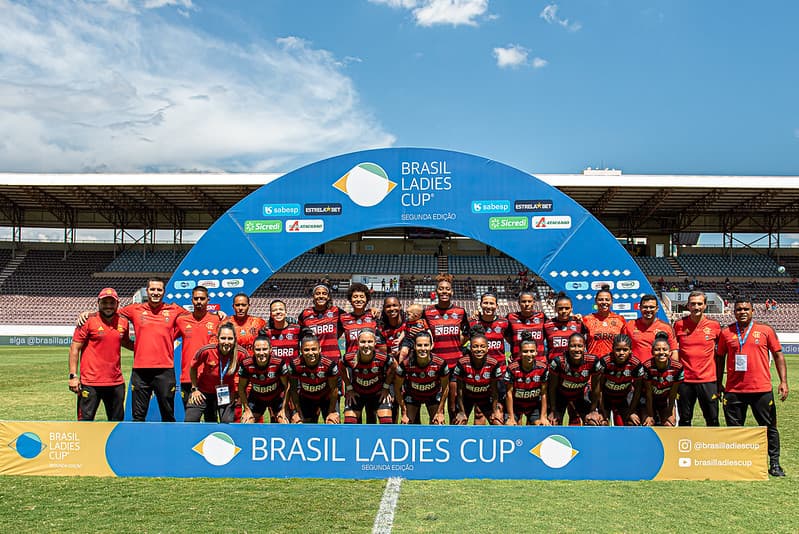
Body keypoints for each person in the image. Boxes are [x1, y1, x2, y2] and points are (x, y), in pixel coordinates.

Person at [94, 277, 190, 422]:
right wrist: (89, 314)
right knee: (138, 416)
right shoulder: (135, 309)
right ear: (147, 291)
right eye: (152, 289)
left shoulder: (174, 309)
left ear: (164, 292)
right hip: (141, 371)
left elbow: (195, 319)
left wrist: (217, 315)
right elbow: (109, 311)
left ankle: (167, 437)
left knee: (168, 414)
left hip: (165, 370)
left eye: (159, 290)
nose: (155, 292)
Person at [717, 298, 788, 477]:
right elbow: (719, 358)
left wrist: (783, 381)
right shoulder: (726, 332)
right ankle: (737, 464)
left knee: (769, 427)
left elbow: (778, 355)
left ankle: (774, 463)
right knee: (734, 431)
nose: (742, 312)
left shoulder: (765, 330)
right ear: (734, 312)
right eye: (739, 309)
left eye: (746, 309)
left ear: (752, 311)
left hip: (761, 390)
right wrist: (718, 383)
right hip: (734, 390)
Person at [68, 288, 133, 421]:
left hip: (115, 382)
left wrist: (146, 348)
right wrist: (73, 376)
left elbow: (125, 342)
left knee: (116, 424)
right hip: (90, 382)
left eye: (112, 303)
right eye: (104, 302)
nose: (108, 306)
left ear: (117, 304)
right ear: (98, 303)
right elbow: (74, 348)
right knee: (85, 423)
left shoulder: (123, 322)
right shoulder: (87, 320)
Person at [424, 273, 469, 422]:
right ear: (436, 291)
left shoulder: (460, 312)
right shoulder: (428, 312)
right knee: (437, 407)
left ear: (452, 292)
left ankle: (453, 435)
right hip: (436, 365)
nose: (444, 291)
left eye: (447, 289)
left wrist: (456, 344)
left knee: (453, 407)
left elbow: (467, 333)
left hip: (455, 365)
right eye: (441, 288)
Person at [673, 290, 722, 426]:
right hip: (685, 380)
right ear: (688, 306)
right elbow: (673, 350)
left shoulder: (714, 326)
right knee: (685, 420)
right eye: (693, 304)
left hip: (708, 380)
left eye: (699, 304)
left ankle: (712, 441)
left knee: (712, 420)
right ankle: (685, 441)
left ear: (705, 305)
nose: (696, 307)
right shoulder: (679, 325)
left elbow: (721, 352)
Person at [186, 322, 246, 423]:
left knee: (227, 423)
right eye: (223, 338)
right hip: (203, 391)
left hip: (226, 393)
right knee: (190, 420)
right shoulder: (207, 350)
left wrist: (237, 393)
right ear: (217, 338)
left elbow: (247, 374)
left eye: (230, 339)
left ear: (235, 339)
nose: (226, 342)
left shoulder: (241, 354)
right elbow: (193, 368)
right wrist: (195, 389)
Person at [174, 286, 220, 410]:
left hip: (210, 377)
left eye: (202, 298)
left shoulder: (217, 320)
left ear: (208, 300)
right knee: (190, 416)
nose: (199, 301)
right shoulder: (181, 320)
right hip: (188, 377)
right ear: (192, 300)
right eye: (196, 298)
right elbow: (166, 337)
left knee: (211, 417)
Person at [283, 331, 340, 424]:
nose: (310, 353)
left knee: (332, 422)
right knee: (300, 424)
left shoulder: (329, 364)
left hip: (326, 398)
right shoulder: (295, 365)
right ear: (301, 351)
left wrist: (331, 412)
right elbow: (293, 389)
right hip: (306, 398)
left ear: (319, 349)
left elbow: (334, 389)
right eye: (306, 350)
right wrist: (297, 411)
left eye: (314, 349)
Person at [394, 330, 449, 424]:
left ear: (431, 346)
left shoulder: (440, 363)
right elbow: (397, 387)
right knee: (406, 423)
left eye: (426, 345)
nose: (423, 348)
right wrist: (404, 412)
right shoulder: (405, 364)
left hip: (433, 395)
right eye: (419, 345)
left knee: (438, 423)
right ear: (414, 346)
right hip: (413, 396)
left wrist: (440, 412)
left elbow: (445, 387)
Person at [451, 327, 504, 425]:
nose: (479, 349)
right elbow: (459, 391)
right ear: (470, 348)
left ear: (487, 348)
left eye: (482, 346)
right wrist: (461, 412)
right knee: (459, 422)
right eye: (475, 347)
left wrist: (494, 410)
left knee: (497, 422)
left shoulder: (493, 363)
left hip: (485, 398)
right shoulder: (462, 363)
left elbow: (494, 391)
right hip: (467, 397)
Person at [341, 329, 395, 424]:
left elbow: (394, 366)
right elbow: (341, 367)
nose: (366, 345)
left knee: (386, 422)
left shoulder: (382, 357)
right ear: (358, 343)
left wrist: (386, 387)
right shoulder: (349, 357)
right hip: (357, 394)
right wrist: (349, 388)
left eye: (370, 342)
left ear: (375, 343)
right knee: (349, 423)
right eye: (363, 342)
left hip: (377, 393)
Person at [547, 333, 601, 426]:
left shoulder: (593, 361)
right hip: (561, 396)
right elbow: (552, 388)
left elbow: (596, 387)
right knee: (553, 422)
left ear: (584, 347)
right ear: (568, 347)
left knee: (594, 422)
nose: (576, 349)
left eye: (580, 346)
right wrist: (553, 410)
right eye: (573, 346)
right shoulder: (558, 362)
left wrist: (593, 410)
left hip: (580, 395)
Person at [593, 334, 645, 426]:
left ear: (630, 350)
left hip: (624, 398)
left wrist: (631, 411)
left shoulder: (635, 364)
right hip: (606, 397)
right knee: (602, 423)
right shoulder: (605, 362)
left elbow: (637, 390)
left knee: (632, 422)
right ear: (613, 349)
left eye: (625, 350)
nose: (621, 353)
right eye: (618, 350)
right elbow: (599, 388)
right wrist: (602, 410)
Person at [238, 335, 290, 424]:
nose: (261, 353)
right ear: (253, 350)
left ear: (270, 349)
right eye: (258, 349)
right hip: (256, 398)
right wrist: (246, 409)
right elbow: (241, 387)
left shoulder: (278, 363)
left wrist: (283, 409)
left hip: (276, 397)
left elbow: (287, 386)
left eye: (264, 349)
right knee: (246, 422)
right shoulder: (246, 364)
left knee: (284, 422)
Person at [504, 332, 549, 426]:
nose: (529, 354)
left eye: (532, 351)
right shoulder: (512, 368)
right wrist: (511, 417)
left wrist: (543, 417)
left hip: (534, 406)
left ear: (536, 352)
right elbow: (509, 393)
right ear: (520, 352)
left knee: (540, 425)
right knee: (510, 426)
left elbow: (544, 393)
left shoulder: (543, 368)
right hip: (516, 406)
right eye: (525, 351)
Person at [641, 332, 684, 427]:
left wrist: (670, 413)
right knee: (648, 423)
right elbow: (648, 393)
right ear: (652, 352)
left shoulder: (677, 368)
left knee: (669, 424)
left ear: (670, 352)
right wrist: (650, 415)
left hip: (664, 400)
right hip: (648, 400)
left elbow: (673, 393)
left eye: (665, 349)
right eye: (657, 350)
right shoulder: (647, 366)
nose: (661, 352)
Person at [623, 294, 678, 363]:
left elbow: (673, 351)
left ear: (657, 309)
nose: (648, 310)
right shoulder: (630, 326)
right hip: (635, 368)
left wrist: (674, 368)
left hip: (657, 368)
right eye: (645, 307)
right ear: (640, 308)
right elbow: (622, 348)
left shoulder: (666, 328)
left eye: (651, 307)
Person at [298, 284, 343, 362]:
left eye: (324, 293)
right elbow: (299, 332)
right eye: (318, 293)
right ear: (313, 296)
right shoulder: (305, 314)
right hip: (312, 360)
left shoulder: (336, 311)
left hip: (333, 358)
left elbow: (349, 323)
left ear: (328, 297)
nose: (321, 296)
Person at [339, 282, 385, 355]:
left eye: (362, 296)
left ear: (367, 299)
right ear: (350, 299)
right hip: (351, 360)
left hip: (371, 360)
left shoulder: (373, 316)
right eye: (355, 296)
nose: (358, 299)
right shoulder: (343, 318)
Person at [582, 285, 626, 358]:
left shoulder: (620, 320)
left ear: (612, 301)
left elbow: (625, 343)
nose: (604, 302)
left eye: (607, 299)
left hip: (613, 362)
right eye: (600, 299)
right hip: (593, 361)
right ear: (596, 301)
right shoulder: (587, 319)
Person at [543, 293, 588, 362]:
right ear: (555, 309)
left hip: (574, 365)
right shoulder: (547, 325)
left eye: (567, 308)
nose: (564, 311)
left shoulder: (578, 323)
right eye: (560, 308)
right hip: (554, 365)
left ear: (571, 309)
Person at [505, 289, 546, 363]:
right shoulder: (510, 317)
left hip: (540, 362)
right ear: (519, 303)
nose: (527, 304)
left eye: (529, 301)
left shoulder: (542, 317)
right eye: (523, 301)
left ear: (534, 302)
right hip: (518, 362)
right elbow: (506, 336)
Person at [260, 299, 302, 365]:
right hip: (275, 370)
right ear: (271, 314)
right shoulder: (266, 332)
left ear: (285, 312)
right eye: (274, 310)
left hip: (293, 370)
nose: (278, 312)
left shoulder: (297, 329)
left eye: (281, 309)